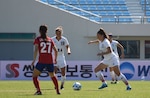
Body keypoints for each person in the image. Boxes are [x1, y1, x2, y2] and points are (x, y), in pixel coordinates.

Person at [31, 25, 60, 95]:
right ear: (47, 31)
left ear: (39, 31)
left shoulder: (38, 39)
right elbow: (56, 50)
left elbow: (36, 50)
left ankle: (38, 91)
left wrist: (34, 60)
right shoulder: (50, 40)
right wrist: (55, 59)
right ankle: (58, 91)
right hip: (50, 60)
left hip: (42, 61)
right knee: (53, 75)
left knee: (34, 76)